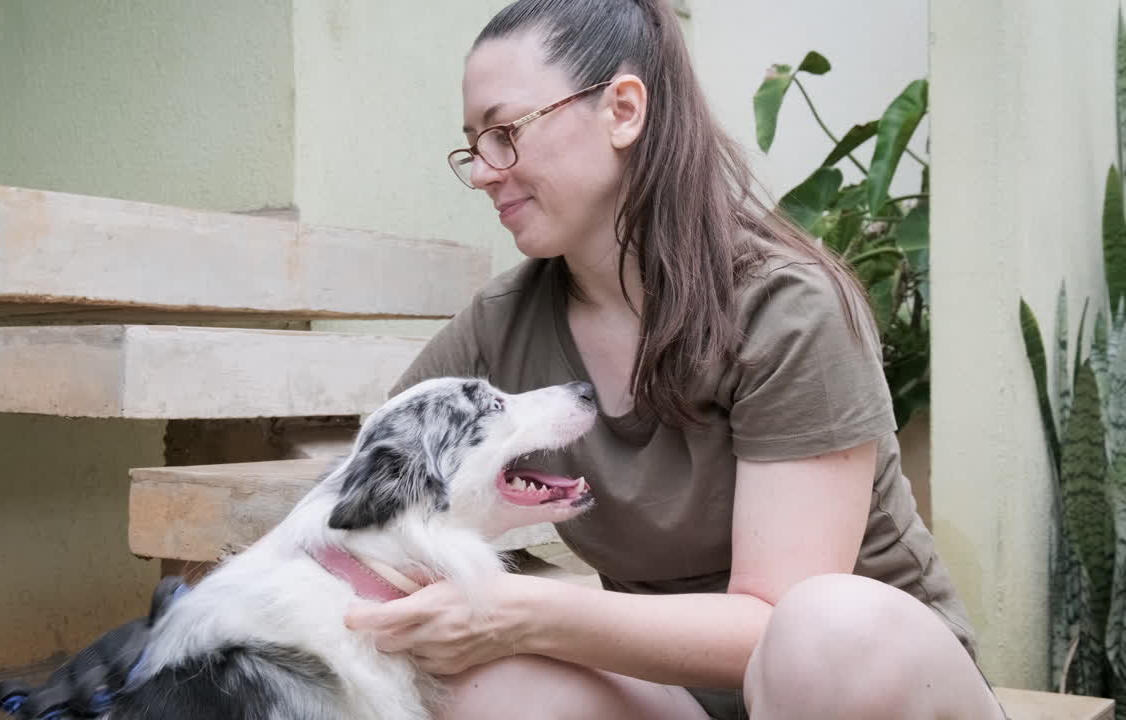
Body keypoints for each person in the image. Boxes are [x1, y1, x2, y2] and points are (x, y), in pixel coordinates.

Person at [339, 1, 1008, 719]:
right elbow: (358, 510)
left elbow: (771, 621)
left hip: (869, 690)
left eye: (504, 133)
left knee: (824, 629)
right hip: (680, 699)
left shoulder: (784, 309)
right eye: (472, 145)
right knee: (475, 686)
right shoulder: (498, 330)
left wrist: (524, 608)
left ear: (623, 110)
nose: (482, 171)